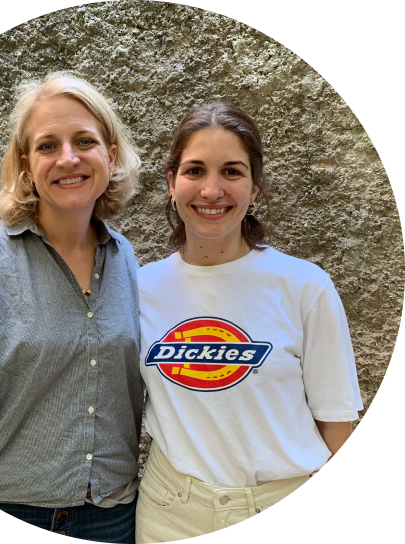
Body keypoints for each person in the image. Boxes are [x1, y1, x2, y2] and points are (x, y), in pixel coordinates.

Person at [0, 73, 144, 543]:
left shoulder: (126, 260)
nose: (68, 158)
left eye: (84, 141)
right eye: (47, 146)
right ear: (26, 165)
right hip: (8, 504)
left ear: (111, 155)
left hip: (112, 517)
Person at [135, 102, 363, 541]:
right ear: (172, 183)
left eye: (232, 172)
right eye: (195, 171)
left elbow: (336, 424)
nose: (212, 190)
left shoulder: (304, 286)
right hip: (170, 513)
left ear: (255, 187)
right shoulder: (140, 289)